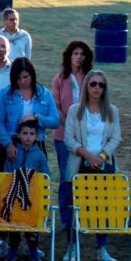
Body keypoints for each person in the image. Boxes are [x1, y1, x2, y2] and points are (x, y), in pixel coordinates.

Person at [60, 70, 122, 261]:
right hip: (80, 164)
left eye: (101, 85)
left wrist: (101, 157)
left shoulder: (112, 111)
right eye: (93, 84)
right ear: (86, 86)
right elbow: (69, 139)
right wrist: (88, 156)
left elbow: (116, 138)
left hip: (104, 166)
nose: (97, 88)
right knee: (75, 207)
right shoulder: (74, 110)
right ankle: (73, 246)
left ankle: (102, 249)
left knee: (102, 209)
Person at [0, 119, 50, 261]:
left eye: (31, 134)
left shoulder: (40, 155)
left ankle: (33, 249)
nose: (28, 136)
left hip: (32, 199)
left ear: (36, 136)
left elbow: (45, 176)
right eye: (25, 133)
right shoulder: (13, 152)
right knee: (14, 222)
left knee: (32, 223)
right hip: (14, 198)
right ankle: (13, 249)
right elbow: (6, 174)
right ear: (19, 135)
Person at [0, 57, 59, 173]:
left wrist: (37, 117)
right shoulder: (5, 94)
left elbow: (55, 121)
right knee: (9, 185)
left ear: (32, 75)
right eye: (18, 78)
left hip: (37, 144)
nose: (22, 81)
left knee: (36, 185)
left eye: (25, 77)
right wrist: (8, 144)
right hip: (11, 144)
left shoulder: (45, 94)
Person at [50, 41, 93, 178]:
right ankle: (66, 200)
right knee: (66, 174)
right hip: (63, 135)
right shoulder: (60, 78)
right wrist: (69, 124)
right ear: (69, 56)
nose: (79, 57)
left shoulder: (91, 78)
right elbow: (55, 106)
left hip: (87, 135)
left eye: (82, 54)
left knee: (85, 175)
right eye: (76, 54)